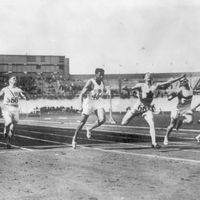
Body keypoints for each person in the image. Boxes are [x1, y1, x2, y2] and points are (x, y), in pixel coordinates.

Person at [121, 72, 185, 149]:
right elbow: (130, 89)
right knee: (123, 123)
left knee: (152, 123)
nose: (148, 77)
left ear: (152, 79)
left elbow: (169, 82)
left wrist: (179, 77)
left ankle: (154, 143)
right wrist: (125, 88)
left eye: (150, 76)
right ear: (144, 78)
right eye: (146, 76)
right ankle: (131, 112)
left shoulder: (155, 86)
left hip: (147, 108)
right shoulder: (140, 85)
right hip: (137, 107)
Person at [72, 68, 110, 149]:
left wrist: (107, 92)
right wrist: (80, 106)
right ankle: (74, 139)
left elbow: (101, 92)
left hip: (97, 102)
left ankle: (89, 128)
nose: (102, 76)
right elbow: (81, 94)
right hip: (89, 103)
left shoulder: (102, 82)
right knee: (82, 122)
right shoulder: (90, 82)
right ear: (96, 74)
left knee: (102, 119)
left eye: (103, 75)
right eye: (100, 75)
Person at [0, 76, 29, 148]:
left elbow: (25, 97)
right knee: (9, 122)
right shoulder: (5, 89)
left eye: (16, 78)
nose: (15, 79)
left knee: (12, 129)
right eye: (13, 78)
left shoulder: (18, 89)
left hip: (15, 108)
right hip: (7, 107)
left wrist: (26, 96)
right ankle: (5, 128)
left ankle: (8, 143)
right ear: (9, 81)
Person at [163, 76, 193, 145]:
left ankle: (181, 122)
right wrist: (169, 94)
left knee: (190, 121)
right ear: (181, 84)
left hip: (186, 108)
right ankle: (166, 136)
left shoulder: (191, 88)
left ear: (187, 81)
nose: (184, 82)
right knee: (172, 125)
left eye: (185, 80)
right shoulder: (179, 90)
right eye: (182, 81)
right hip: (178, 108)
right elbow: (169, 98)